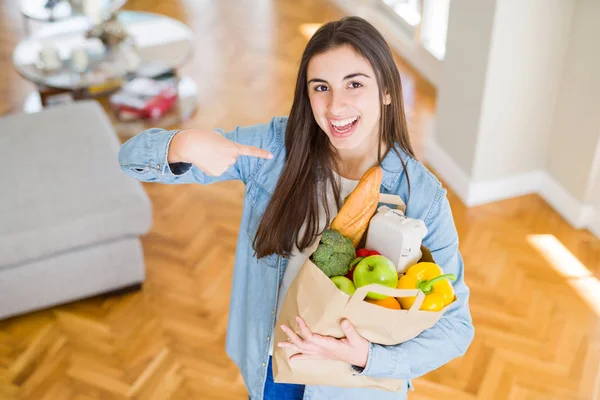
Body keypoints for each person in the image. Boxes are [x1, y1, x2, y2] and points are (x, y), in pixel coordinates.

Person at [118, 15, 474, 400]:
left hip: (352, 386)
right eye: (321, 87)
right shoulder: (274, 149)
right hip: (273, 368)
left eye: (354, 84)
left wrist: (368, 357)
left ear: (387, 91)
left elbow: (456, 327)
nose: (336, 106)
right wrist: (183, 145)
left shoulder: (423, 197)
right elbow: (129, 159)